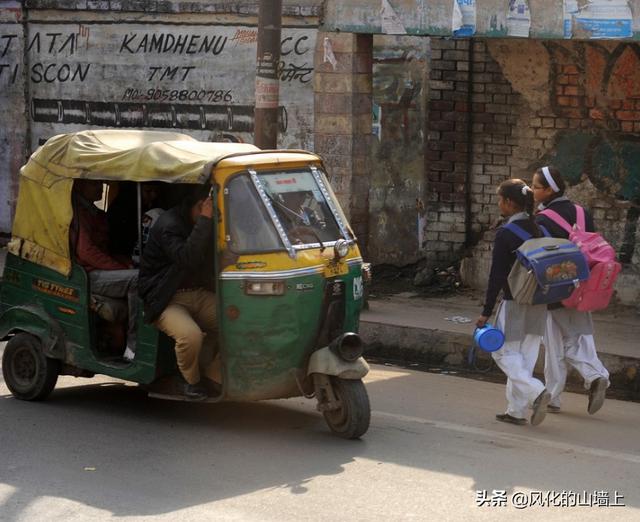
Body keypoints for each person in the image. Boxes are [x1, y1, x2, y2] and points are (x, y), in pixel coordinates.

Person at [532, 165, 609, 415]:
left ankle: (556, 394)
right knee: (579, 336)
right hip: (583, 285)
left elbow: (540, 256)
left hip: (554, 287)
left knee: (554, 343)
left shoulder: (542, 219)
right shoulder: (582, 211)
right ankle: (595, 376)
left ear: (549, 191)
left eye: (536, 187)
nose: (532, 191)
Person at [476, 179, 551, 426]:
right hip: (539, 301)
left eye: (500, 200)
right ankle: (516, 411)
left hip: (515, 302)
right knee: (526, 356)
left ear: (509, 203)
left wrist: (486, 311)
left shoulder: (506, 233)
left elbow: (496, 275)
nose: (499, 204)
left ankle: (536, 391)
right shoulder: (537, 228)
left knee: (502, 352)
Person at [138, 183, 217, 401]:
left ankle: (213, 375)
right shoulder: (169, 225)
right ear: (199, 205)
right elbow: (188, 258)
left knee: (236, 324)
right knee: (189, 336)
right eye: (207, 207)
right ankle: (190, 381)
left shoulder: (203, 223)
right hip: (167, 297)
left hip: (198, 293)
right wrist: (205, 220)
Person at [72, 179, 139, 360]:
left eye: (100, 183)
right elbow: (87, 252)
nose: (100, 188)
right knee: (137, 280)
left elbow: (105, 250)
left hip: (99, 270)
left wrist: (124, 263)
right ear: (80, 186)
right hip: (87, 275)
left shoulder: (94, 213)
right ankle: (133, 346)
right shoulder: (78, 213)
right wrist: (117, 267)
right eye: (94, 184)